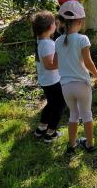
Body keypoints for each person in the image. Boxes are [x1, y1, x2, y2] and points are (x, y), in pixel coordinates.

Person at [54, 0, 97, 154]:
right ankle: (89, 143)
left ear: (61, 22)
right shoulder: (82, 39)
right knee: (87, 114)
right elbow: (88, 62)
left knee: (73, 114)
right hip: (82, 84)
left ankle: (72, 144)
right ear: (80, 21)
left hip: (66, 86)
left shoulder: (58, 41)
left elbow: (55, 63)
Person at [31, 11, 66, 142]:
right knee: (60, 104)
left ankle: (41, 129)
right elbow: (49, 65)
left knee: (51, 104)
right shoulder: (47, 44)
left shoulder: (41, 40)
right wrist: (62, 58)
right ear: (49, 27)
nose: (56, 24)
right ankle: (51, 133)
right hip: (52, 81)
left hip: (46, 80)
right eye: (54, 23)